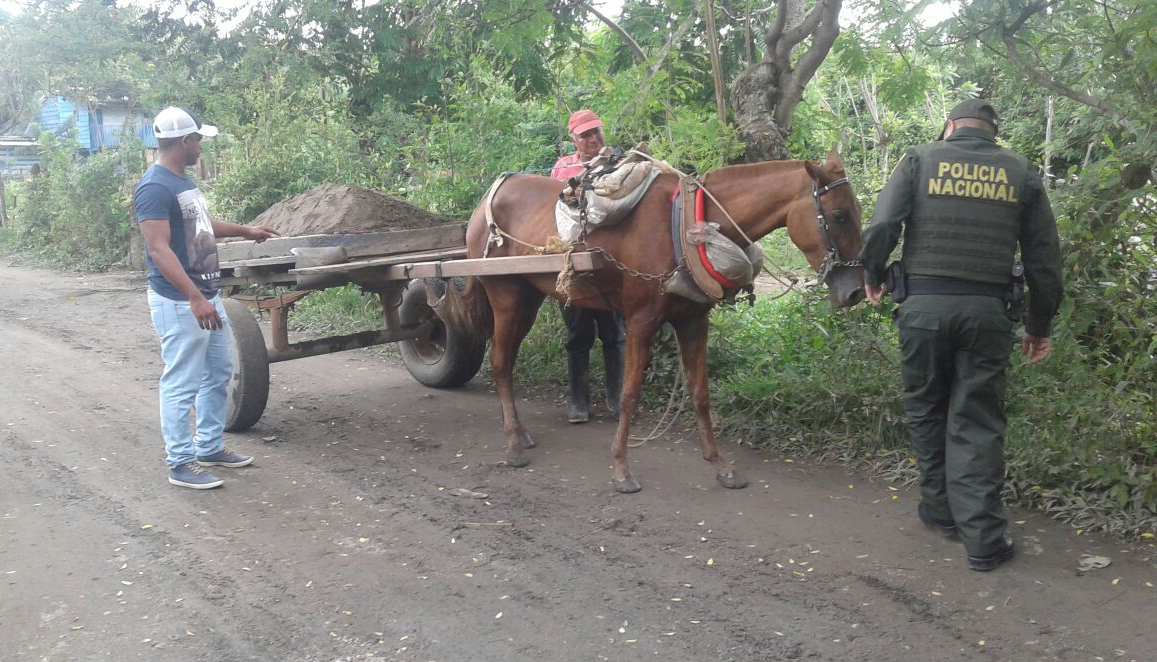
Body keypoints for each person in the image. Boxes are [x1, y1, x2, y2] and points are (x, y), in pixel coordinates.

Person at [858, 99, 1063, 571]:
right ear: (993, 132)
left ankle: (941, 513)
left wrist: (872, 274)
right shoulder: (1021, 172)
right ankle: (984, 540)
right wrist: (1039, 324)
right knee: (975, 420)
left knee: (926, 406)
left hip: (922, 310)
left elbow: (884, 225)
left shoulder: (920, 159)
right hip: (987, 315)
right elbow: (1044, 260)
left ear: (949, 127)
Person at [133, 107, 279, 489]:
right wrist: (195, 299)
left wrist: (246, 231)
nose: (201, 146)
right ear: (184, 142)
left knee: (217, 373)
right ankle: (179, 463)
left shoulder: (180, 182)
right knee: (181, 382)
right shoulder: (153, 187)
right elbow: (159, 249)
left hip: (205, 296)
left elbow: (200, 225)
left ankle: (209, 446)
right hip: (182, 303)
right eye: (198, 139)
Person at [550, 109, 626, 423]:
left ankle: (617, 400)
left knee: (614, 333)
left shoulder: (618, 162)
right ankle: (578, 403)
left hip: (610, 262)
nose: (593, 139)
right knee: (578, 333)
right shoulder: (562, 167)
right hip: (574, 262)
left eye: (596, 131)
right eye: (585, 135)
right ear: (574, 139)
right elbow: (555, 203)